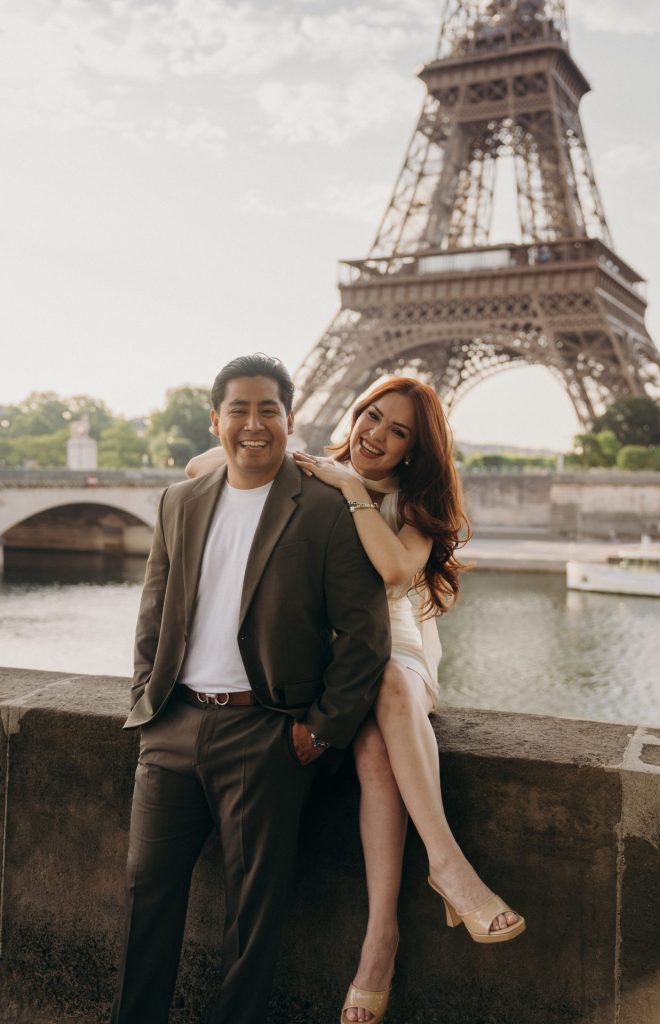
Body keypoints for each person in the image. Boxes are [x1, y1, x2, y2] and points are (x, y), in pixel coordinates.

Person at [187, 376, 526, 1024]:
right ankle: (389, 934)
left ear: (413, 449)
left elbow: (396, 571)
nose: (376, 435)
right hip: (333, 664)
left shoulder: (413, 505)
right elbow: (200, 466)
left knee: (391, 683)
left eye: (398, 432)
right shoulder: (308, 470)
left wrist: (349, 490)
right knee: (371, 752)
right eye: (372, 416)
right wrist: (284, 450)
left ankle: (433, 880)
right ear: (356, 413)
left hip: (398, 653)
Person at [111, 353, 391, 1024]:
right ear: (216, 421)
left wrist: (319, 729)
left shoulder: (325, 509)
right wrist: (145, 698)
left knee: (252, 921)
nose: (254, 424)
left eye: (269, 410)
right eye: (238, 410)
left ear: (290, 420)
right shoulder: (179, 501)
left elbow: (365, 637)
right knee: (145, 897)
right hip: (172, 727)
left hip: (264, 734)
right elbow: (154, 611)